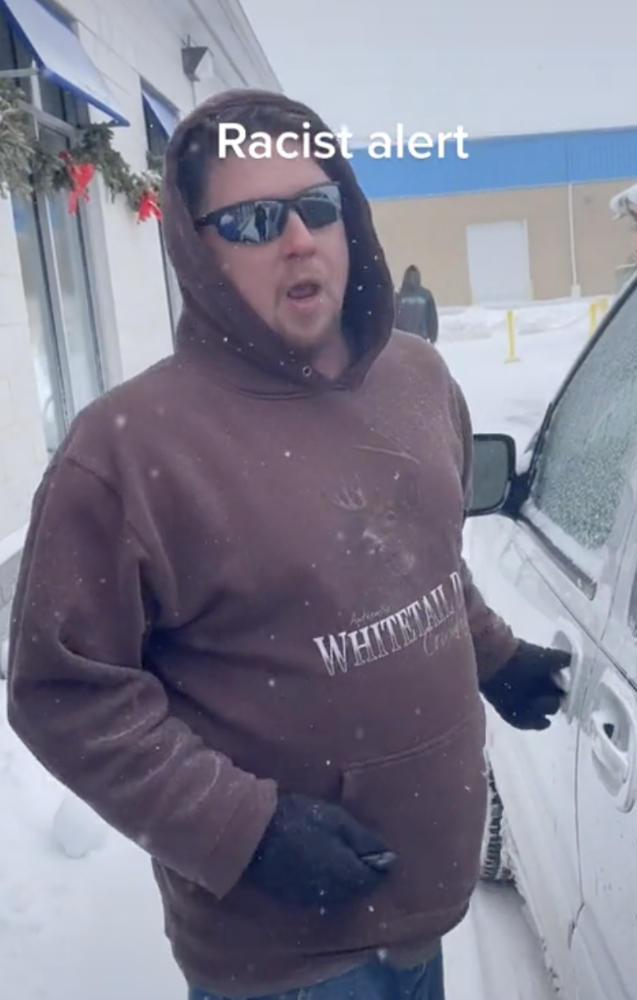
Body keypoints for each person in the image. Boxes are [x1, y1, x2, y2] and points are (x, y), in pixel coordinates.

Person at [4, 90, 573, 1000]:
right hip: (282, 963)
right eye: (256, 220)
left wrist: (496, 657)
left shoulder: (418, 382)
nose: (299, 239)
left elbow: (417, 562)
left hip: (425, 905)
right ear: (197, 250)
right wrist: (245, 830)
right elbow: (63, 693)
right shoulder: (128, 450)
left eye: (317, 206)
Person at [393, 264, 440, 344]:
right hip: (413, 338)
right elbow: (432, 318)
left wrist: (433, 336)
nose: (412, 279)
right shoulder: (399, 295)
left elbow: (432, 317)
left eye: (413, 276)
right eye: (410, 276)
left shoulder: (399, 295)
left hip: (411, 338)